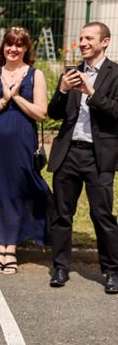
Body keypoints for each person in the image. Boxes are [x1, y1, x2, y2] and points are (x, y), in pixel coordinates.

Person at [47, 21, 118, 294]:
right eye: (81, 38)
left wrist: (92, 93)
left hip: (99, 156)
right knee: (62, 215)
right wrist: (63, 90)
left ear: (105, 42)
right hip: (68, 153)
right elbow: (54, 113)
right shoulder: (71, 73)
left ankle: (111, 271)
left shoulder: (115, 74)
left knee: (102, 215)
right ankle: (60, 267)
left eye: (89, 38)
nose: (83, 43)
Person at [0, 27, 51, 275]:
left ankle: (13, 248)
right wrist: (4, 100)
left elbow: (41, 113)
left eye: (19, 45)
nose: (13, 49)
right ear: (3, 47)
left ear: (26, 48)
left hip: (22, 143)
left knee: (19, 192)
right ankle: (2, 250)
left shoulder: (35, 75)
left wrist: (16, 97)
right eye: (9, 44)